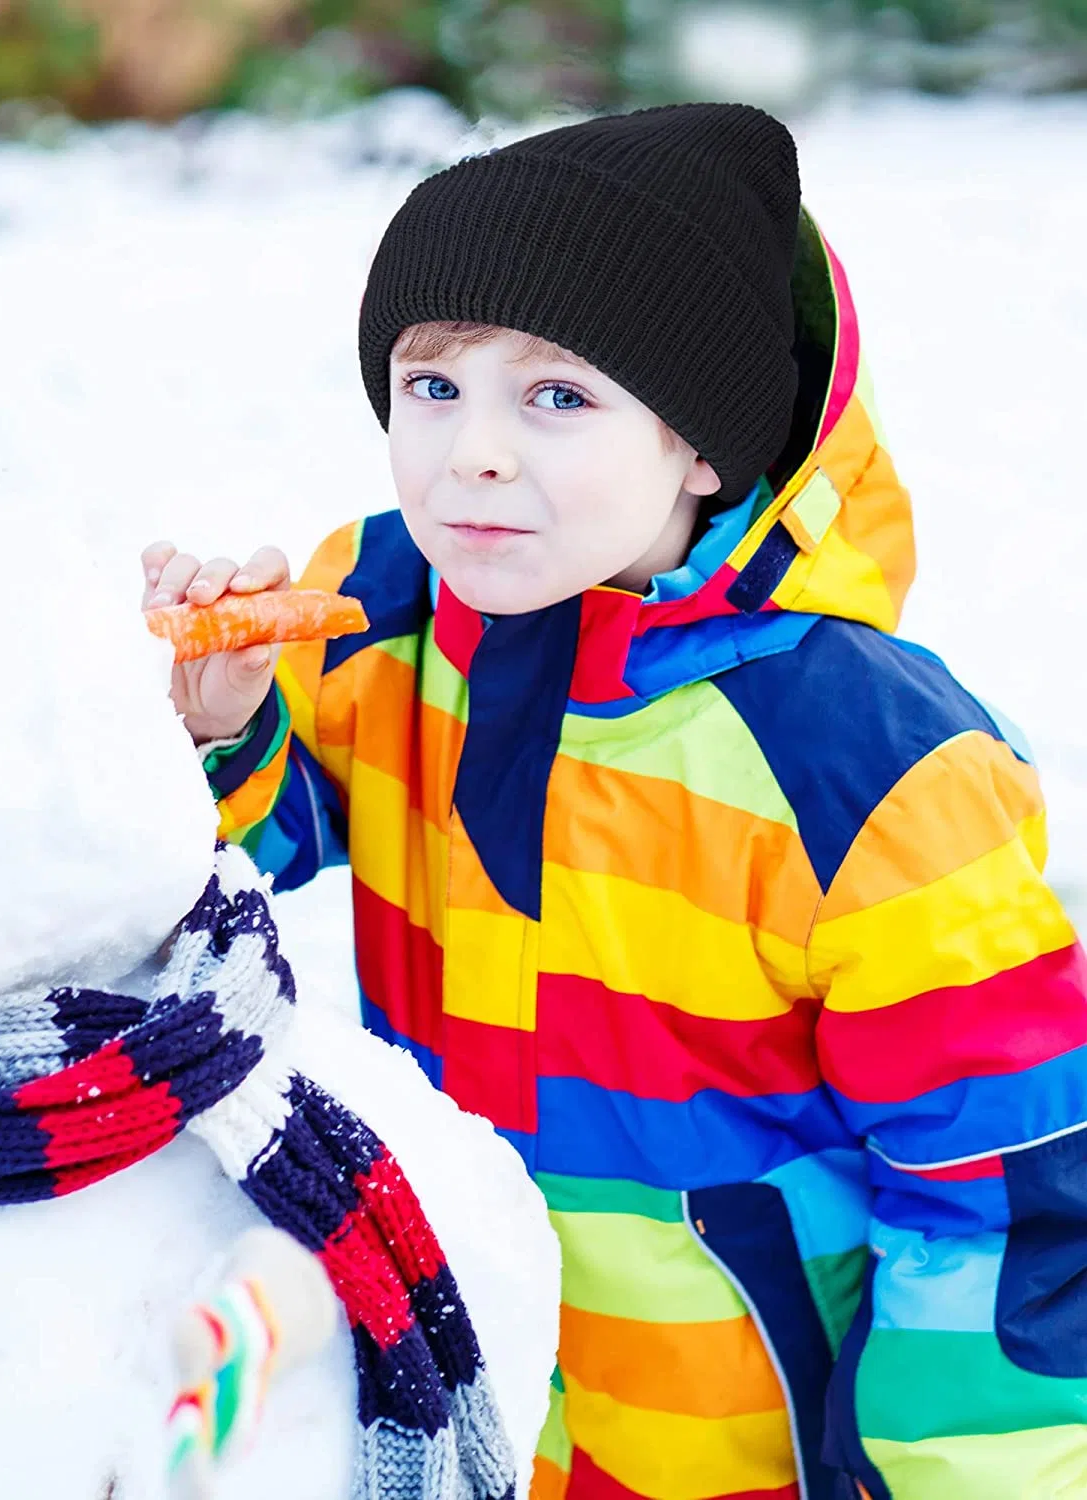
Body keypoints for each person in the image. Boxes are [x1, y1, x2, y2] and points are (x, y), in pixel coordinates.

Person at [142, 103, 1087, 1500]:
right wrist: (228, 732)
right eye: (433, 385)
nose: (472, 454)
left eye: (559, 397)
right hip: (478, 1390)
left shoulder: (869, 766)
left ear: (702, 444)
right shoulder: (391, 608)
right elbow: (276, 843)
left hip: (746, 1439)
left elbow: (1005, 1196)